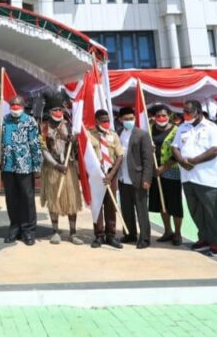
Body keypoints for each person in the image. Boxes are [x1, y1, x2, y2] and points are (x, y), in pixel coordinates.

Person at [172, 99, 217, 256]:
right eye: (184, 112)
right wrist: (182, 160)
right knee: (195, 210)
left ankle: (216, 242)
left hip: (206, 177)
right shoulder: (183, 127)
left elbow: (216, 149)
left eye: (188, 112)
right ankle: (204, 237)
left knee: (211, 211)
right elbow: (175, 147)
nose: (185, 115)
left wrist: (194, 161)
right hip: (188, 176)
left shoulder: (211, 127)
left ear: (199, 112)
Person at [40, 92, 83, 245]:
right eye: (55, 110)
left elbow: (78, 149)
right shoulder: (44, 128)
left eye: (60, 110)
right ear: (49, 112)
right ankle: (55, 231)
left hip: (69, 167)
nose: (58, 113)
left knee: (71, 200)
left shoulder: (70, 127)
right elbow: (44, 150)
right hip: (52, 168)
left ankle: (73, 233)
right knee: (54, 200)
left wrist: (75, 141)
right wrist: (55, 164)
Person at [0, 96, 42, 245]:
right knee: (11, 198)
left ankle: (28, 231)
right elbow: (0, 142)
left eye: (18, 105)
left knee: (27, 198)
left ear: (23, 106)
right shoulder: (4, 120)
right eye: (12, 105)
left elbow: (35, 144)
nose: (15, 107)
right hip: (8, 166)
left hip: (25, 165)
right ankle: (14, 228)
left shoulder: (30, 121)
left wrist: (37, 166)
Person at [116, 107, 155, 249]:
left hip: (138, 178)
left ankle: (145, 238)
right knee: (126, 209)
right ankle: (130, 234)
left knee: (141, 210)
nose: (129, 121)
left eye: (131, 119)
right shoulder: (118, 133)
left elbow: (147, 159)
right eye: (126, 119)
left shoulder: (142, 134)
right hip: (122, 178)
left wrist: (147, 179)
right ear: (120, 120)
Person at [89, 109, 124, 249]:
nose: (106, 123)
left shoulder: (113, 135)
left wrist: (111, 174)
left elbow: (119, 156)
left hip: (110, 174)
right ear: (96, 121)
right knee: (97, 205)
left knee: (111, 205)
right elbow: (85, 154)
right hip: (96, 175)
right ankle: (99, 235)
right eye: (103, 120)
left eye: (108, 120)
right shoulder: (89, 134)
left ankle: (111, 235)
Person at [149, 105, 184, 245]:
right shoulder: (150, 129)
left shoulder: (177, 130)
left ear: (169, 115)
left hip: (171, 170)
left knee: (174, 203)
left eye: (164, 115)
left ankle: (178, 233)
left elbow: (179, 151)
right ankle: (167, 230)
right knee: (161, 203)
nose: (161, 118)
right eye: (158, 116)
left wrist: (164, 167)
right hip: (155, 171)